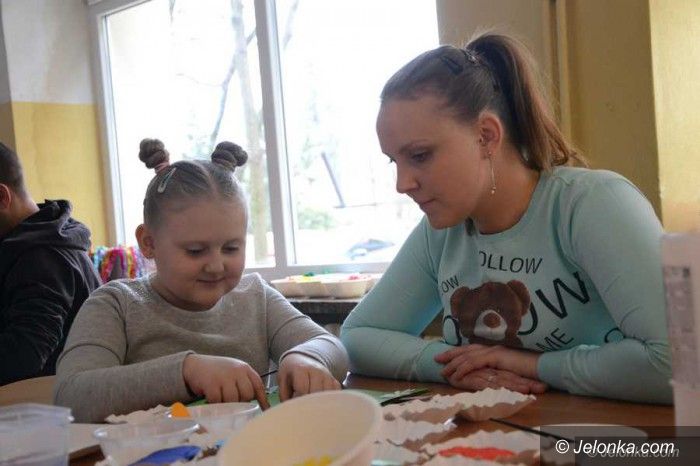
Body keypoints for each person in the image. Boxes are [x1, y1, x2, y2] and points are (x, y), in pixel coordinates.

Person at [340, 33, 671, 404]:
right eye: (394, 161)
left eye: (419, 156)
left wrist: (530, 365)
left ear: (486, 136)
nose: (402, 184)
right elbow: (358, 337)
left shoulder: (592, 204)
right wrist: (457, 366)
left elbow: (678, 364)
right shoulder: (443, 230)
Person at [55, 139, 348, 422]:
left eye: (231, 248)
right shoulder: (116, 305)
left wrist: (307, 357)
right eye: (195, 251)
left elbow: (328, 344)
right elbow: (71, 396)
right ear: (149, 243)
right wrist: (187, 371)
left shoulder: (256, 295)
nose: (216, 265)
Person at [0, 142, 101, 385]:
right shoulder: (42, 239)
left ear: (2, 197)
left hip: (57, 404)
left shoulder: (42, 258)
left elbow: (25, 355)